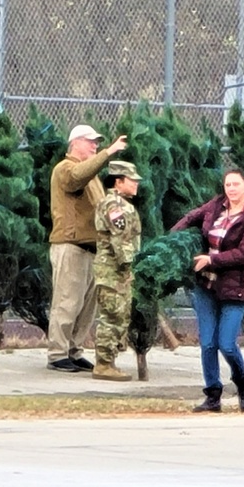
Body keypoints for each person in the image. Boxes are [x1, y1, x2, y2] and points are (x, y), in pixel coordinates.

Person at [172, 169, 244, 413]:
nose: (232, 189)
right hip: (206, 284)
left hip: (235, 286)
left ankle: (242, 380)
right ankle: (212, 395)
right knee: (207, 343)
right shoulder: (216, 205)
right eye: (228, 184)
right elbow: (191, 217)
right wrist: (175, 240)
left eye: (237, 184)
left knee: (226, 343)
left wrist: (211, 260)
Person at [46, 125, 128, 373]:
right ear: (75, 144)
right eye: (90, 141)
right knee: (67, 301)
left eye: (97, 142)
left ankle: (74, 350)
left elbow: (101, 206)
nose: (95, 146)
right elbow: (76, 178)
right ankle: (57, 353)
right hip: (70, 245)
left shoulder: (91, 176)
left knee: (85, 306)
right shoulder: (65, 168)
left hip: (91, 248)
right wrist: (109, 152)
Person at [91, 161, 143, 382]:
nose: (136, 184)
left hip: (118, 272)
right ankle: (103, 364)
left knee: (119, 315)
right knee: (112, 316)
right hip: (113, 271)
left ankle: (108, 361)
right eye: (132, 180)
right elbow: (119, 239)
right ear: (118, 181)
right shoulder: (114, 205)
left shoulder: (120, 203)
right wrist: (130, 265)